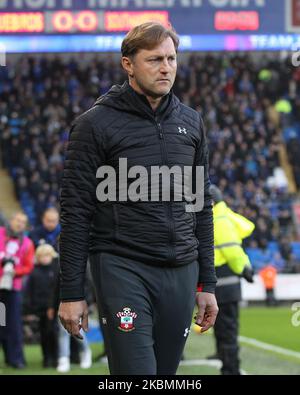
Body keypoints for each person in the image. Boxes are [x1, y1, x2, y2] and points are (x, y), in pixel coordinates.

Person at [58, 22, 218, 375]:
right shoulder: (94, 125)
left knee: (164, 376)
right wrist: (71, 292)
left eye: (172, 59)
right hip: (122, 267)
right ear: (128, 64)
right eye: (155, 59)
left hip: (181, 271)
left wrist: (207, 282)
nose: (166, 68)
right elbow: (75, 212)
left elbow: (200, 207)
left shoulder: (191, 123)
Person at [208, 185, 255, 375]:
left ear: (211, 201)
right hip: (223, 283)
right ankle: (223, 357)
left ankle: (231, 368)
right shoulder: (220, 217)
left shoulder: (219, 220)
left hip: (224, 282)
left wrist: (244, 268)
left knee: (227, 329)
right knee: (222, 326)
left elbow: (232, 250)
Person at [0, 211, 35, 368]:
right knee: (1, 323)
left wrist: (16, 271)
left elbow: (28, 266)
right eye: (17, 220)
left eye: (23, 222)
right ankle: (8, 357)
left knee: (13, 325)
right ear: (11, 220)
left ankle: (16, 359)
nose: (19, 224)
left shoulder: (27, 243)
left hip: (12, 289)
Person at [23, 244, 59, 368]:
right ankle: (46, 358)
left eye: (47, 256)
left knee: (53, 333)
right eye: (42, 256)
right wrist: (29, 308)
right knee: (43, 334)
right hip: (40, 308)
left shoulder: (55, 271)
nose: (44, 258)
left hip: (54, 308)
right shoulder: (34, 272)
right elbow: (29, 291)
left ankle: (56, 358)